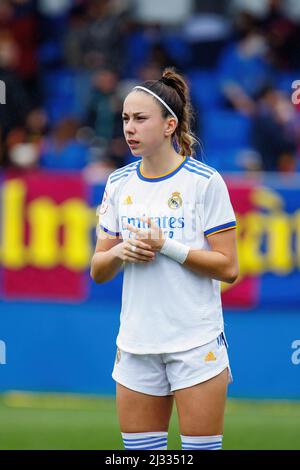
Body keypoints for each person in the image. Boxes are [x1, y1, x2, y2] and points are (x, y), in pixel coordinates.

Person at [90, 68, 239, 451]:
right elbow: (98, 270)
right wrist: (121, 251)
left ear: (170, 124)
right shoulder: (118, 183)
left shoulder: (204, 182)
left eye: (140, 119)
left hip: (195, 342)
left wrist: (166, 247)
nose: (129, 128)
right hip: (137, 345)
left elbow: (229, 268)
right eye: (125, 118)